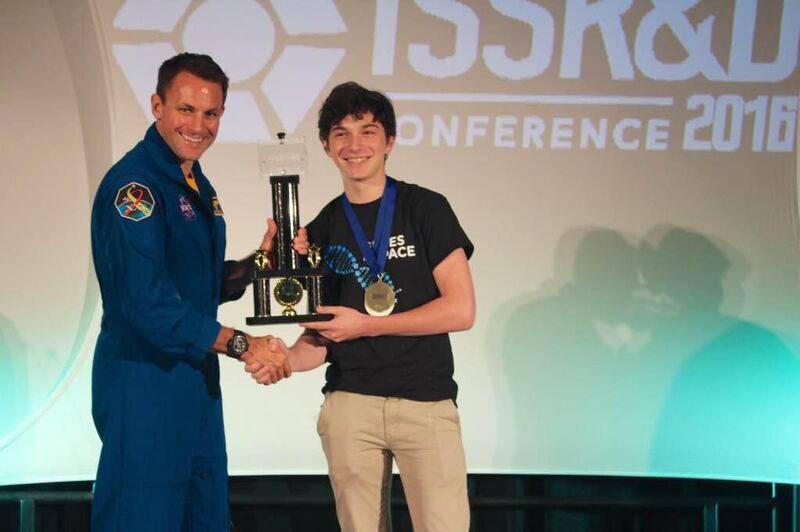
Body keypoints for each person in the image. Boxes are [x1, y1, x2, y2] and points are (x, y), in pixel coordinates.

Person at [251, 81, 476, 531]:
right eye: (341, 133)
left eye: (367, 131)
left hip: (425, 402)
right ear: (326, 146)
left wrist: (368, 326)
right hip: (351, 404)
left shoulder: (426, 208)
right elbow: (320, 335)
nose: (355, 145)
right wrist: (283, 359)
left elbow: (460, 310)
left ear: (389, 141)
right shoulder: (319, 230)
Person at [90, 52, 290, 532]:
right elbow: (147, 304)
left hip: (194, 381)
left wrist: (261, 263)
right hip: (144, 382)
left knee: (201, 517)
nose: (199, 125)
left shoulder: (194, 179)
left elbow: (196, 285)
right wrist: (242, 345)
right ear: (158, 105)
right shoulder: (135, 187)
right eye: (186, 109)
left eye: (212, 113)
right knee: (142, 519)